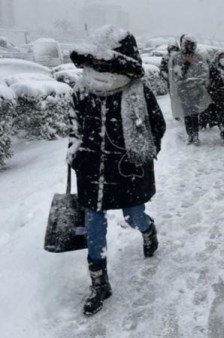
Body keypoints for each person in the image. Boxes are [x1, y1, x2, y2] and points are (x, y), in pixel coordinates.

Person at [67, 25, 166, 316]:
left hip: (127, 170)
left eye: (103, 61)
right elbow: (74, 127)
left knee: (133, 216)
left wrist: (141, 154)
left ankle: (148, 230)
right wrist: (75, 153)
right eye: (94, 61)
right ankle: (99, 282)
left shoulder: (136, 91)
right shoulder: (82, 90)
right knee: (94, 223)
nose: (97, 66)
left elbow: (156, 127)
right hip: (92, 170)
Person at [168, 35, 212, 145]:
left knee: (194, 114)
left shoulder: (199, 57)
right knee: (186, 114)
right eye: (187, 44)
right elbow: (176, 75)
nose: (189, 47)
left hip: (196, 91)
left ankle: (196, 135)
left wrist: (195, 82)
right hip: (183, 91)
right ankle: (190, 135)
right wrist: (186, 65)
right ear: (183, 45)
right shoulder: (177, 58)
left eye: (191, 45)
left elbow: (204, 73)